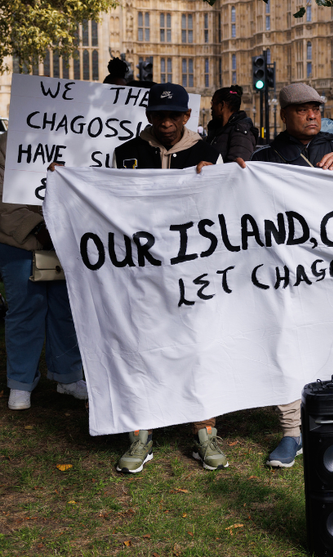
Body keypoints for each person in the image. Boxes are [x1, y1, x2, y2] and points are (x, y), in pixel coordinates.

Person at [111, 83, 229, 473]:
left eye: (173, 115)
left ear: (185, 118)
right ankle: (139, 434)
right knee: (139, 347)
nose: (166, 122)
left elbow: (227, 208)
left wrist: (217, 179)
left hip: (192, 270)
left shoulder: (209, 153)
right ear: (148, 116)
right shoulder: (126, 154)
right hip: (141, 271)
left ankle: (204, 430)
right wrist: (66, 182)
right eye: (159, 115)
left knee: (199, 348)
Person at [247, 83, 333, 467]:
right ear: (284, 115)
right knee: (287, 349)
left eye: (316, 108)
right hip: (286, 272)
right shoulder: (265, 157)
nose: (312, 115)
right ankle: (292, 432)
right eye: (302, 109)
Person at [0, 135, 88, 411]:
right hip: (19, 240)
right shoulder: (7, 145)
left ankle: (68, 376)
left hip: (70, 238)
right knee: (25, 308)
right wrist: (38, 227)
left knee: (66, 308)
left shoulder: (84, 142)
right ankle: (21, 381)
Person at [207, 86, 257, 162]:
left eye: (213, 103)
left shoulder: (240, 131)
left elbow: (238, 166)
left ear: (222, 106)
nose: (211, 108)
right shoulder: (218, 130)